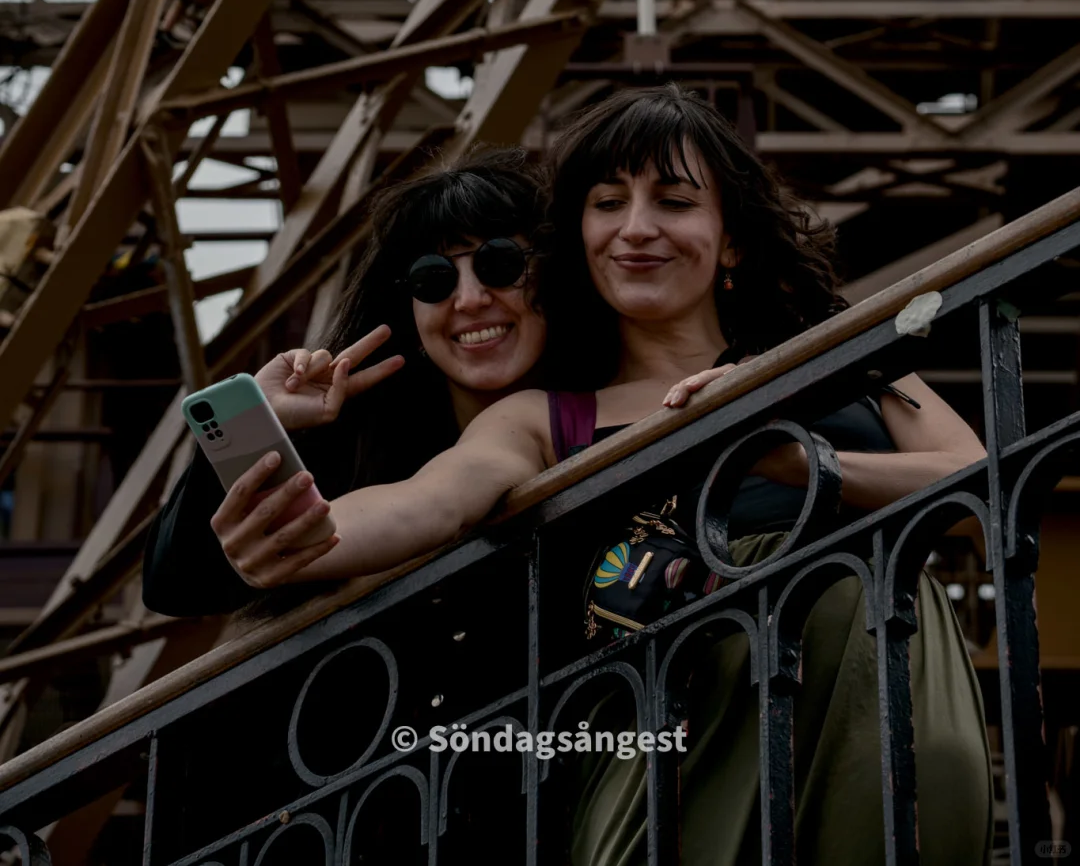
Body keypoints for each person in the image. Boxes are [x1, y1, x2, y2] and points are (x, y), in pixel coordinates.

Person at [204, 86, 990, 864]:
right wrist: (297, 531)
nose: (637, 227)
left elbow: (974, 474)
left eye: (674, 202)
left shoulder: (837, 349)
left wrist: (802, 462)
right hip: (674, 754)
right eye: (608, 203)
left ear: (731, 241)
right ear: (579, 238)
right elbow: (427, 502)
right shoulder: (548, 418)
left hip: (881, 683)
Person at [142, 145, 548, 616]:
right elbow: (177, 586)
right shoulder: (364, 438)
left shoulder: (602, 403)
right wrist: (256, 425)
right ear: (408, 310)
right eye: (432, 279)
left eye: (500, 264)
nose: (470, 299)